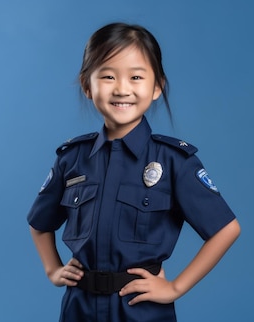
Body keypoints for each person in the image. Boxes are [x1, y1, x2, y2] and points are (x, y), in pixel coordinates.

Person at [27, 22, 240, 322]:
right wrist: (53, 269)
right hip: (80, 307)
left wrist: (176, 287)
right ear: (88, 86)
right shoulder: (72, 159)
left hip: (141, 310)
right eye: (108, 76)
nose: (122, 88)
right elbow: (39, 223)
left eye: (136, 77)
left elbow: (226, 229)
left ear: (156, 87)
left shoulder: (173, 161)